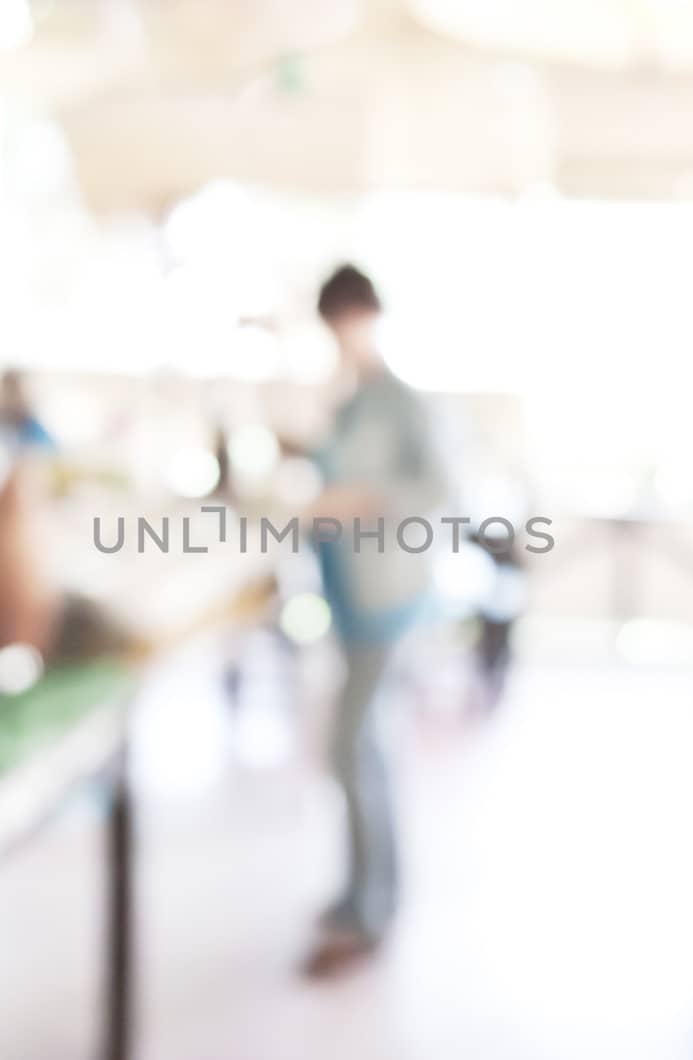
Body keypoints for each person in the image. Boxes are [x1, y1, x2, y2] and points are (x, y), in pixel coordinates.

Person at [303, 264, 447, 976]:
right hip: (348, 596)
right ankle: (362, 889)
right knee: (359, 750)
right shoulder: (351, 401)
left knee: (353, 746)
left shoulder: (401, 401)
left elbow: (441, 492)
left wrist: (360, 499)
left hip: (388, 598)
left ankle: (374, 904)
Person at [0, 370, 57, 452]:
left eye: (13, 391)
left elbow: (49, 449)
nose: (8, 398)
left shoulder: (29, 421)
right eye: (5, 391)